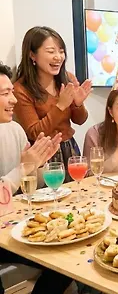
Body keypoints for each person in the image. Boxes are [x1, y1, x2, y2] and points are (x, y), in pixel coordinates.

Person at [0, 62, 72, 294]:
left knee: (62, 259)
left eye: (11, 92)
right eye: (5, 94)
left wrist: (40, 165)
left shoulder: (14, 130)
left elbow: (27, 184)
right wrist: (23, 169)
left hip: (11, 224)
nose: (13, 99)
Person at [13, 26, 92, 180]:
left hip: (69, 148)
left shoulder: (67, 78)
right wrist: (60, 106)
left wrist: (77, 104)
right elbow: (35, 132)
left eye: (61, 51)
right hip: (43, 155)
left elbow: (80, 120)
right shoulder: (21, 89)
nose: (58, 57)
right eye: (51, 51)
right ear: (32, 55)